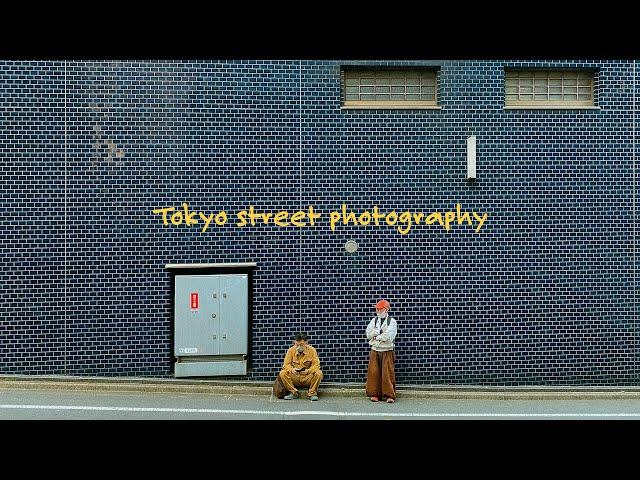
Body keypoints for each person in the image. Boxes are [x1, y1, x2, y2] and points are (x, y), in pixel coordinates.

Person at [365, 299, 398, 403]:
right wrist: (378, 333)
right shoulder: (374, 320)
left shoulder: (392, 322)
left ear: (386, 310)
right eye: (377, 309)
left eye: (380, 309)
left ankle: (389, 395)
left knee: (387, 373)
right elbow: (368, 334)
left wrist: (376, 336)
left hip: (387, 350)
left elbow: (388, 336)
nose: (378, 311)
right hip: (375, 350)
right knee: (374, 373)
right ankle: (375, 394)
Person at [279, 332, 323, 401]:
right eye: (297, 345)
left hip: (307, 377)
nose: (299, 347)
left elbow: (316, 365)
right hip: (295, 377)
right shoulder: (291, 350)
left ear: (306, 343)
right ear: (294, 343)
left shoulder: (312, 350)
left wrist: (308, 371)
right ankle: (293, 392)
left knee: (319, 373)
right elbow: (286, 365)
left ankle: (312, 393)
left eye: (301, 345)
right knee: (282, 373)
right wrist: (292, 370)